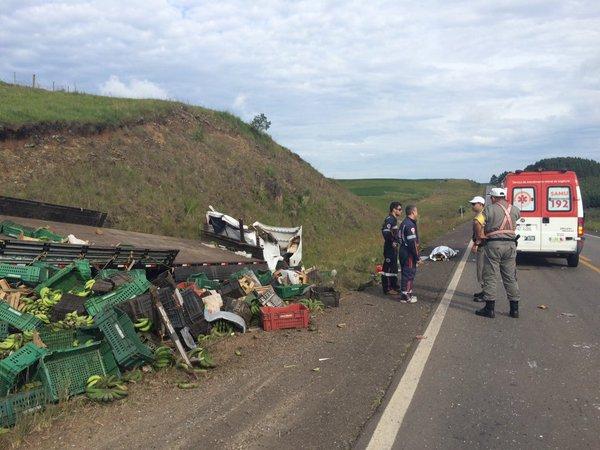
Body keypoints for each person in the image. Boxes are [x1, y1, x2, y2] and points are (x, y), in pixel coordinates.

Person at [476, 188, 521, 319]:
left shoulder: (489, 209)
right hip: (511, 245)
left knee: (490, 276)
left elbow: (477, 221)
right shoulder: (515, 209)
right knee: (510, 277)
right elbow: (517, 219)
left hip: (494, 245)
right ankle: (514, 310)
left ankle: (489, 309)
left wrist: (480, 236)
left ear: (493, 198)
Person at [381, 201, 403, 296]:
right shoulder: (390, 219)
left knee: (394, 267)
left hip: (393, 248)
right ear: (394, 209)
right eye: (399, 209)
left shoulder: (394, 219)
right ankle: (388, 288)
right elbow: (385, 231)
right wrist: (392, 242)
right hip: (389, 247)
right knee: (388, 268)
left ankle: (394, 286)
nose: (401, 211)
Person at [398, 205, 419, 303]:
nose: (417, 214)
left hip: (402, 250)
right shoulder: (410, 225)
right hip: (408, 253)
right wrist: (417, 256)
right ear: (413, 212)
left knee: (405, 273)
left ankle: (407, 293)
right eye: (416, 211)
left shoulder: (404, 223)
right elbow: (413, 243)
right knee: (409, 273)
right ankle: (406, 296)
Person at [469, 196, 486, 301]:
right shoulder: (485, 214)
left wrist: (476, 244)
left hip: (482, 245)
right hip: (486, 245)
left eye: (474, 204)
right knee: (483, 270)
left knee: (481, 271)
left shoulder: (480, 216)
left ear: (480, 204)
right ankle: (485, 291)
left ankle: (486, 293)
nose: (472, 206)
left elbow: (478, 228)